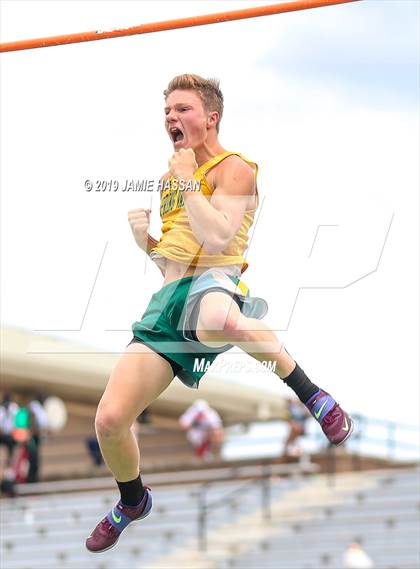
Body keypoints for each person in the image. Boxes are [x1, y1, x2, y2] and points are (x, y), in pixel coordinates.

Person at [86, 74, 354, 553]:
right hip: (168, 302)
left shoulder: (237, 169)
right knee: (108, 419)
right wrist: (143, 243)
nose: (172, 117)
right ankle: (132, 500)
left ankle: (313, 395)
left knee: (219, 317)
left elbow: (216, 239)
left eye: (183, 109)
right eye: (167, 110)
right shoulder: (170, 179)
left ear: (210, 119)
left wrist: (189, 178)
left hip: (215, 281)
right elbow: (173, 260)